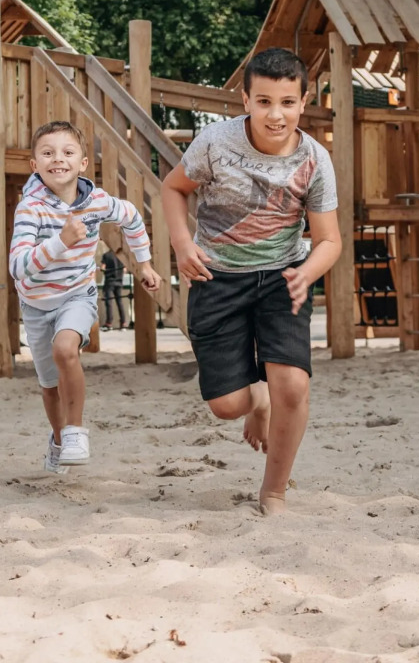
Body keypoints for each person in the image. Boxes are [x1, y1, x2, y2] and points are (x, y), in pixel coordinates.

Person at [160, 47, 341, 517]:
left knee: (294, 387)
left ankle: (274, 492)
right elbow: (174, 188)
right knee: (227, 404)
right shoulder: (215, 143)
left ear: (304, 103)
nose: (275, 114)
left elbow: (329, 241)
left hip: (284, 278)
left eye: (286, 102)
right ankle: (256, 397)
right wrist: (182, 244)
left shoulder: (315, 160)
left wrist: (307, 272)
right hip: (216, 277)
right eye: (263, 101)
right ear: (245, 100)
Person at [10, 120, 161, 474]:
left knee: (66, 349)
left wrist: (146, 265)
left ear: (82, 163)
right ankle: (59, 439)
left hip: (77, 294)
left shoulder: (96, 201)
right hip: (35, 304)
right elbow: (18, 267)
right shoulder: (30, 209)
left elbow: (133, 218)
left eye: (67, 153)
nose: (57, 160)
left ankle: (76, 431)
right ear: (35, 165)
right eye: (47, 153)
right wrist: (61, 240)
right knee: (49, 385)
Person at [100, 246, 127, 331]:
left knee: (109, 302)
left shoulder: (106, 255)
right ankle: (123, 323)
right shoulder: (121, 256)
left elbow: (102, 268)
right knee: (120, 302)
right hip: (119, 281)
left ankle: (109, 323)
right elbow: (125, 270)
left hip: (109, 281)